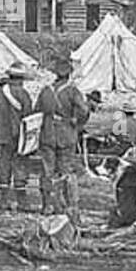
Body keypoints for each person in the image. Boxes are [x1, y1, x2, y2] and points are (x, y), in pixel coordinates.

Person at [36, 57, 89, 218]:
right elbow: (84, 111)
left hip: (47, 135)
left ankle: (47, 205)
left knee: (47, 171)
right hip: (66, 135)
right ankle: (65, 205)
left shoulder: (46, 91)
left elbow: (36, 111)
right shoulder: (73, 91)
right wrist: (76, 122)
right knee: (65, 171)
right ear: (69, 75)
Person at [0, 62, 34, 212]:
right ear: (21, 78)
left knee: (4, 167)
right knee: (20, 167)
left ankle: (4, 201)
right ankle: (22, 202)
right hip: (20, 138)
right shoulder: (24, 94)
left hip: (3, 136)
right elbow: (29, 117)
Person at [99, 153, 136, 229]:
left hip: (129, 201)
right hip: (124, 199)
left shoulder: (129, 171)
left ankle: (119, 223)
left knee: (124, 212)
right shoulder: (123, 169)